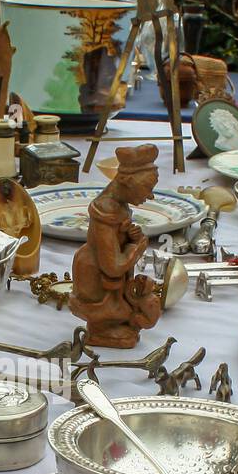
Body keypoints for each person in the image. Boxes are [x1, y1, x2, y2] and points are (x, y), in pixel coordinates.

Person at [70, 144, 163, 348]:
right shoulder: (106, 210)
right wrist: (137, 247)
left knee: (148, 307)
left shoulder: (119, 205)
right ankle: (102, 330)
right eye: (147, 188)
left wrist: (129, 237)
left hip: (111, 282)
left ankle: (113, 325)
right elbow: (112, 266)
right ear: (127, 182)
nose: (150, 196)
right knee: (141, 310)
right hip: (97, 279)